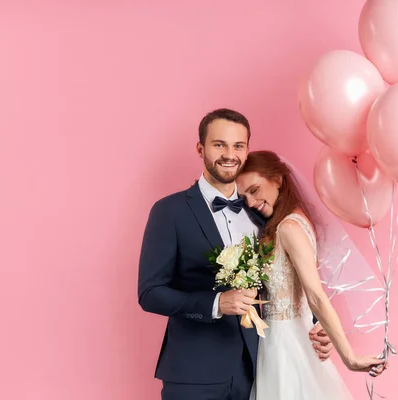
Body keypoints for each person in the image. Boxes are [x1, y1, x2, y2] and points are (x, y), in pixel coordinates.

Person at [137, 109, 335, 400]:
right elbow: (150, 293)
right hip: (193, 374)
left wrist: (318, 327)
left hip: (256, 371)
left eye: (238, 146)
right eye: (219, 144)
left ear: (246, 150)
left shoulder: (261, 216)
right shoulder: (169, 211)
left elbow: (285, 281)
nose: (229, 154)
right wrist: (216, 303)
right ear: (200, 148)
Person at [236, 150, 387, 400]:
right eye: (244, 197)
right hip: (282, 340)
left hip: (287, 344)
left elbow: (315, 295)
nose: (250, 203)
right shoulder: (294, 221)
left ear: (278, 179)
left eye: (254, 190)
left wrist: (348, 356)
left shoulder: (288, 228)